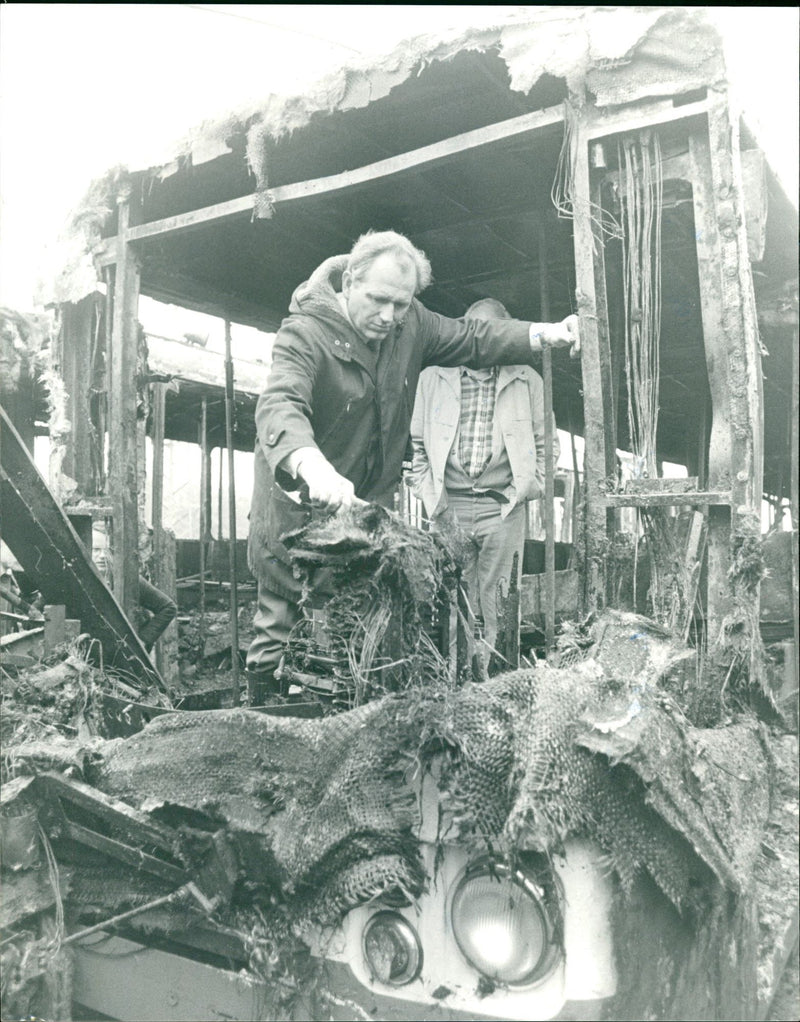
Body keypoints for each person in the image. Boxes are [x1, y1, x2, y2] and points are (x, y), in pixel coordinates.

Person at [246, 230, 579, 703]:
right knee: (279, 620)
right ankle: (259, 710)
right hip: (300, 506)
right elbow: (280, 404)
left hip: (365, 510)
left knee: (355, 623)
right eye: (379, 300)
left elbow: (473, 336)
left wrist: (544, 334)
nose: (389, 317)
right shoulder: (304, 333)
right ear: (350, 281)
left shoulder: (411, 325)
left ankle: (339, 715)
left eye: (400, 304)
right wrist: (312, 467)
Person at [407, 297, 556, 666]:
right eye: (475, 333)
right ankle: (457, 679)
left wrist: (524, 490)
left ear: (506, 336)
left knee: (501, 602)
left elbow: (544, 448)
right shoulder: (432, 378)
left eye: (493, 334)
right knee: (454, 600)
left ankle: (499, 677)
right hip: (449, 507)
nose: (482, 342)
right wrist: (433, 501)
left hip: (501, 506)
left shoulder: (527, 380)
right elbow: (417, 448)